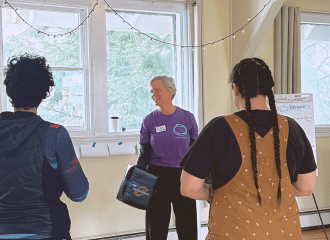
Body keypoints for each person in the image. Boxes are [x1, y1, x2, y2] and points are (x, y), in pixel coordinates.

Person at [180, 58, 317, 240]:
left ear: (235, 88)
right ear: (269, 88)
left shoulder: (218, 128)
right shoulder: (292, 127)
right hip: (284, 232)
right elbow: (306, 187)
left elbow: (189, 187)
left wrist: (217, 194)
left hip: (232, 232)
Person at [0, 54, 89, 240]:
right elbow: (79, 193)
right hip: (47, 230)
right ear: (44, 92)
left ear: (10, 91)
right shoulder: (55, 134)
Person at [136, 75, 198, 240]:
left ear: (171, 91)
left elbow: (195, 151)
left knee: (187, 223)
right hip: (158, 176)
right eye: (151, 91)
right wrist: (137, 177)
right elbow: (144, 153)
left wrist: (203, 177)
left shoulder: (187, 118)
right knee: (156, 225)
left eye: (157, 90)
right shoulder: (149, 121)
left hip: (183, 175)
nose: (153, 94)